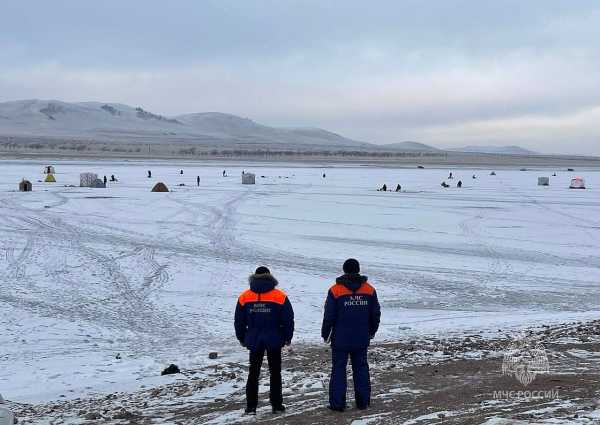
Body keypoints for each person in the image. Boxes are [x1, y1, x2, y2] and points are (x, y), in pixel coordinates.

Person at [322, 259, 381, 412]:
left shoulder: (335, 290)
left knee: (339, 369)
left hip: (340, 338)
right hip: (361, 337)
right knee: (361, 368)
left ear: (344, 270)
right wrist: (372, 331)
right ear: (358, 270)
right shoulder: (369, 290)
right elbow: (375, 314)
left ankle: (337, 404)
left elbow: (329, 315)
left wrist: (325, 333)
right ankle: (363, 402)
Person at [235, 266, 294, 416]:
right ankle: (276, 405)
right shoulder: (279, 296)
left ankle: (251, 407)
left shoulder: (245, 297)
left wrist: (242, 338)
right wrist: (287, 337)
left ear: (254, 277)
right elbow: (288, 319)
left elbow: (239, 321)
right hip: (274, 339)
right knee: (275, 372)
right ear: (269, 277)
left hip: (254, 339)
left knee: (253, 373)